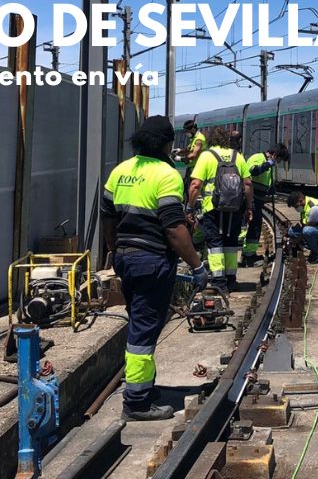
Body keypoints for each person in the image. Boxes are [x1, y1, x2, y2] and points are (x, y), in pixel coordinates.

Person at [100, 115, 208, 421]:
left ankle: (145, 387)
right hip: (151, 261)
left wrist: (115, 249)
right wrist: (197, 265)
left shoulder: (120, 171)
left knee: (139, 322)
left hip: (126, 258)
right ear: (166, 144)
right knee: (145, 329)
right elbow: (173, 228)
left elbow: (107, 217)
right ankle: (136, 402)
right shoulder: (166, 175)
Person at [187, 127, 253, 293]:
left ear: (211, 140)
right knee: (231, 243)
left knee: (215, 244)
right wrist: (249, 206)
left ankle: (219, 282)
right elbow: (247, 184)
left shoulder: (207, 156)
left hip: (213, 208)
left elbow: (195, 184)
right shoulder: (237, 156)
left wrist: (189, 207)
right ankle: (231, 280)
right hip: (235, 208)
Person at [242, 144, 290, 266]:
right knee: (254, 225)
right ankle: (248, 256)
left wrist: (271, 188)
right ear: (275, 155)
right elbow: (253, 171)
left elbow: (264, 180)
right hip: (251, 199)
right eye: (279, 159)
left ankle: (249, 253)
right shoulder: (257, 158)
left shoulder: (270, 164)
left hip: (258, 200)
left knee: (256, 225)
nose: (278, 162)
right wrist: (267, 164)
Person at [286, 191, 318, 264]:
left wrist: (294, 241)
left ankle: (317, 252)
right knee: (291, 231)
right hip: (317, 231)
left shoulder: (314, 208)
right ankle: (309, 246)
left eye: (296, 206)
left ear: (301, 200)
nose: (296, 209)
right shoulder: (304, 206)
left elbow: (307, 228)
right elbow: (303, 224)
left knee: (307, 231)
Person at [182, 120, 207, 189]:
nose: (187, 133)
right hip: (191, 167)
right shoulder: (193, 138)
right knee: (187, 188)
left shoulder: (199, 139)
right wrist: (179, 151)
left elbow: (194, 155)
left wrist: (181, 159)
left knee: (193, 188)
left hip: (196, 168)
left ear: (193, 129)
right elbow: (189, 149)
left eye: (187, 131)